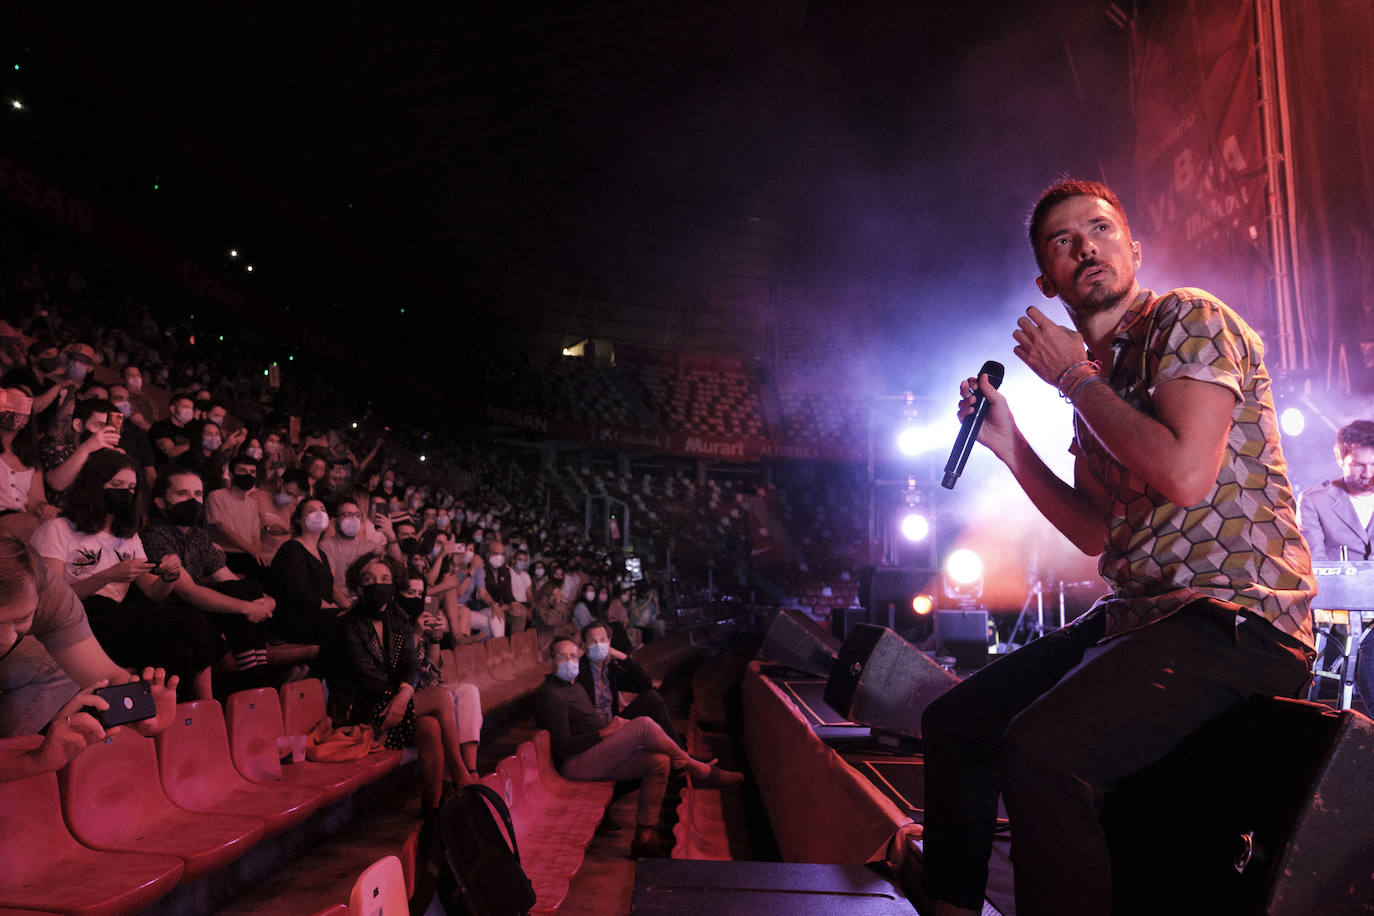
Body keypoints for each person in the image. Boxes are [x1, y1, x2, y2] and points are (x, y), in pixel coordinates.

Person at [919, 179, 1315, 916]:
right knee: (955, 725)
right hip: (1143, 616)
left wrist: (1071, 377)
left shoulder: (1188, 318)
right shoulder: (1097, 388)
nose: (1085, 247)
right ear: (1048, 279)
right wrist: (1013, 449)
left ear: (1133, 249)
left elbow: (1186, 474)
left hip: (1236, 617)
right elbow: (1100, 533)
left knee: (1041, 753)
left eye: (1100, 229)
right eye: (1063, 242)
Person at [28, 449, 228, 700]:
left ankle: (162, 724)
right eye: (117, 485)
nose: (126, 493)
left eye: (132, 488)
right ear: (94, 485)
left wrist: (169, 576)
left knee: (180, 652)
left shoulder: (128, 535)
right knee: (191, 620)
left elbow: (154, 593)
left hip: (117, 616)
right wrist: (108, 575)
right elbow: (52, 601)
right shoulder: (58, 530)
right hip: (79, 620)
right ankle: (211, 704)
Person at [532, 636, 743, 858]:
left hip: (594, 754)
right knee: (643, 725)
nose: (569, 661)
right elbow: (562, 747)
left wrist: (611, 730)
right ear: (551, 661)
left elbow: (640, 685)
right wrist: (605, 732)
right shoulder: (551, 695)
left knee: (658, 763)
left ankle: (643, 839)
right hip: (575, 764)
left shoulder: (574, 688)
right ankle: (696, 768)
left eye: (573, 656)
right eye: (562, 656)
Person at [0, 533, 179, 779]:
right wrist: (32, 762)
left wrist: (142, 706)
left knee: (59, 666)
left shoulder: (48, 591)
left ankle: (11, 760)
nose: (6, 639)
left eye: (20, 620)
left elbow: (104, 675)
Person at [325, 556, 476, 816]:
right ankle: (461, 776)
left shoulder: (398, 621)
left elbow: (411, 666)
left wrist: (404, 695)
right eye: (369, 579)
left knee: (429, 727)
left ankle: (433, 811)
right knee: (440, 697)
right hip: (361, 710)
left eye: (385, 579)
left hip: (395, 705)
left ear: (394, 584)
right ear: (359, 586)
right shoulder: (348, 623)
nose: (378, 584)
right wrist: (400, 697)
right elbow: (367, 677)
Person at [142, 466, 276, 688]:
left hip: (195, 609)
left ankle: (257, 667)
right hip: (168, 612)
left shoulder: (198, 536)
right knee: (240, 596)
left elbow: (229, 579)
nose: (192, 501)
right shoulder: (154, 535)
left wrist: (267, 600)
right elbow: (188, 592)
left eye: (197, 494)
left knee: (248, 586)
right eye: (182, 494)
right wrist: (246, 607)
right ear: (161, 502)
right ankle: (252, 674)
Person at [1297, 419, 1374, 706]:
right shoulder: (1314, 500)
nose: (1368, 473)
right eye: (1358, 465)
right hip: (1338, 608)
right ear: (1340, 458)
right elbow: (1316, 563)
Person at [576, 621, 680, 747]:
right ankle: (681, 758)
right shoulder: (578, 671)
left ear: (609, 642)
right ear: (585, 646)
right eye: (593, 641)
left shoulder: (609, 669)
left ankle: (680, 753)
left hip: (615, 723)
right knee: (646, 725)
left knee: (652, 698)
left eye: (602, 640)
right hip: (597, 732)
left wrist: (623, 657)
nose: (598, 645)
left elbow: (645, 685)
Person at [267, 497, 341, 647]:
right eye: (311, 511)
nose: (319, 514)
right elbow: (298, 592)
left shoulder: (322, 555)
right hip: (295, 619)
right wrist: (330, 608)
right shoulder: (291, 549)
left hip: (319, 616)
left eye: (323, 510)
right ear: (298, 520)